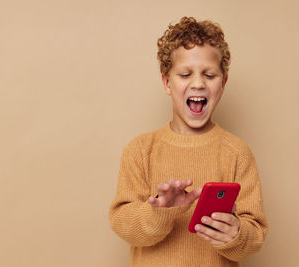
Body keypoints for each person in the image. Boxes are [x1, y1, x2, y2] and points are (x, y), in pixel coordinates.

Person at [109, 16, 268, 267]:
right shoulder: (141, 150)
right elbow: (122, 222)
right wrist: (159, 213)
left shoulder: (237, 152)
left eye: (209, 74)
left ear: (223, 83)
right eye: (185, 74)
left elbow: (254, 233)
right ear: (167, 83)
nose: (198, 83)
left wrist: (236, 233)